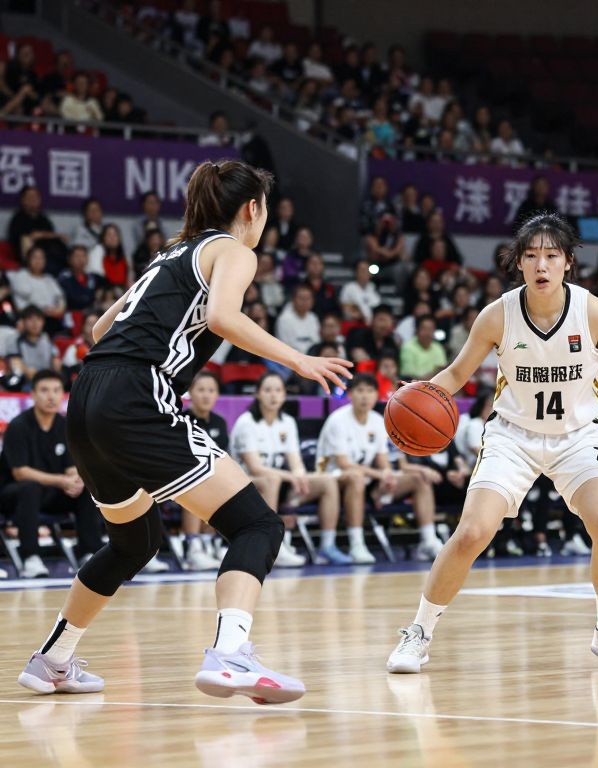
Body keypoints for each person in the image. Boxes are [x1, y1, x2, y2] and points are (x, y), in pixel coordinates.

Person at [15, 160, 351, 703]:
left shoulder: (169, 254)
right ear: (253, 209)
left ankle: (53, 659)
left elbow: (101, 329)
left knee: (135, 540)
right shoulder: (234, 251)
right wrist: (298, 359)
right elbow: (221, 316)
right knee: (257, 526)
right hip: (135, 395)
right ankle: (231, 656)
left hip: (89, 394)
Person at [386, 213, 598, 674]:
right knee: (473, 531)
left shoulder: (593, 310)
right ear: (519, 263)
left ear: (568, 263)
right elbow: (458, 374)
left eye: (551, 256)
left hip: (578, 436)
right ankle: (418, 632)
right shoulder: (497, 314)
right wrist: (420, 396)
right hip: (513, 436)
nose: (542, 265)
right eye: (532, 255)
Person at [317, 374, 443, 564]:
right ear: (350, 394)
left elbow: (383, 460)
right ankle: (356, 544)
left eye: (369, 391)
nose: (365, 396)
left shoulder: (378, 420)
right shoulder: (338, 420)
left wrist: (388, 476)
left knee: (419, 480)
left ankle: (428, 540)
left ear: (377, 395)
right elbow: (344, 463)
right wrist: (380, 474)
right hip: (329, 475)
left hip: (363, 478)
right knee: (355, 477)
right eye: (359, 391)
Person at [230, 371, 350, 566]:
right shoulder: (247, 422)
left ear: (285, 394)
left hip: (279, 483)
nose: (273, 395)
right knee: (272, 480)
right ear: (258, 394)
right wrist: (291, 476)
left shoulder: (287, 422)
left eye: (278, 390)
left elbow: (296, 464)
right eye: (267, 390)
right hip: (245, 484)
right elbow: (255, 467)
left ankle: (327, 545)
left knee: (326, 481)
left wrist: (300, 477)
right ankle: (271, 546)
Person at [0, 371, 104, 578]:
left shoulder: (64, 425)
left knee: (86, 489)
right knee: (30, 488)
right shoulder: (19, 426)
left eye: (57, 391)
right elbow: (20, 473)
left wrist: (75, 480)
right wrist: (62, 480)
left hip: (50, 493)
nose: (51, 396)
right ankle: (31, 557)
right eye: (45, 390)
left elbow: (70, 466)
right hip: (13, 495)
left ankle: (89, 553)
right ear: (33, 395)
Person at [180, 371, 230, 571]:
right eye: (201, 390)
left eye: (211, 390)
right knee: (197, 482)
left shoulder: (220, 422)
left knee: (223, 484)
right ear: (190, 392)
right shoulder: (181, 421)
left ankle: (210, 542)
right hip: (181, 478)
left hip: (213, 478)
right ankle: (193, 546)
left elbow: (223, 457)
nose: (206, 395)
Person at [5, 306, 62, 387]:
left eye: (38, 319)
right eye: (30, 319)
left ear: (43, 322)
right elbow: (17, 367)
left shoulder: (47, 339)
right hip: (26, 382)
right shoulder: (15, 341)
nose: (35, 323)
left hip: (49, 380)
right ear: (23, 322)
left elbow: (56, 363)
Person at [275, 284, 321, 354]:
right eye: (302, 298)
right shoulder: (284, 319)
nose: (305, 302)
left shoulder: (313, 317)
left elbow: (317, 341)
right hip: (292, 357)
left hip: (312, 355)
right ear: (293, 299)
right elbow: (284, 345)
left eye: (308, 298)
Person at [400, 315, 446, 380]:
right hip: (413, 386)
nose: (427, 333)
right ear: (417, 330)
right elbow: (409, 377)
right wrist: (434, 374)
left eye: (430, 329)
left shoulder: (438, 348)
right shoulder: (408, 347)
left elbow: (442, 372)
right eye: (424, 329)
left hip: (436, 386)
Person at [340, 259, 380, 325]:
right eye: (362, 270)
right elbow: (345, 309)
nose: (365, 273)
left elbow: (377, 308)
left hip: (372, 325)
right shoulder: (349, 288)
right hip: (355, 325)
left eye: (368, 270)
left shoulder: (372, 287)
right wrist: (361, 316)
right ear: (356, 272)